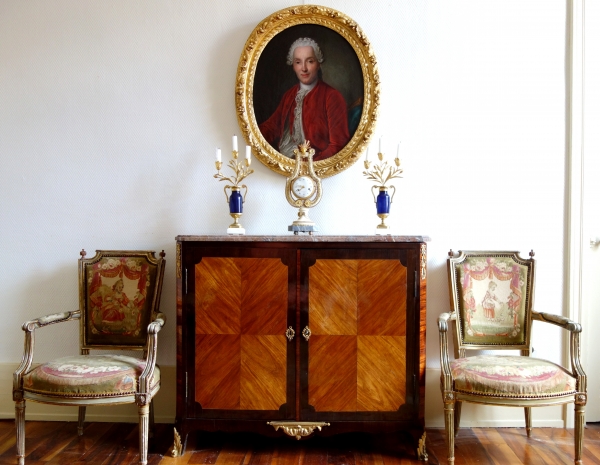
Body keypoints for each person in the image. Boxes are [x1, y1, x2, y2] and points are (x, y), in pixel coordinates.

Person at [259, 37, 350, 161]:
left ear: (318, 64)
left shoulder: (332, 96)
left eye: (310, 61)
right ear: (293, 66)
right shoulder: (289, 95)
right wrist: (252, 134)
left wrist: (307, 164)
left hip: (315, 163)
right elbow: (272, 126)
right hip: (285, 160)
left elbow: (338, 145)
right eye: (298, 62)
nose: (304, 68)